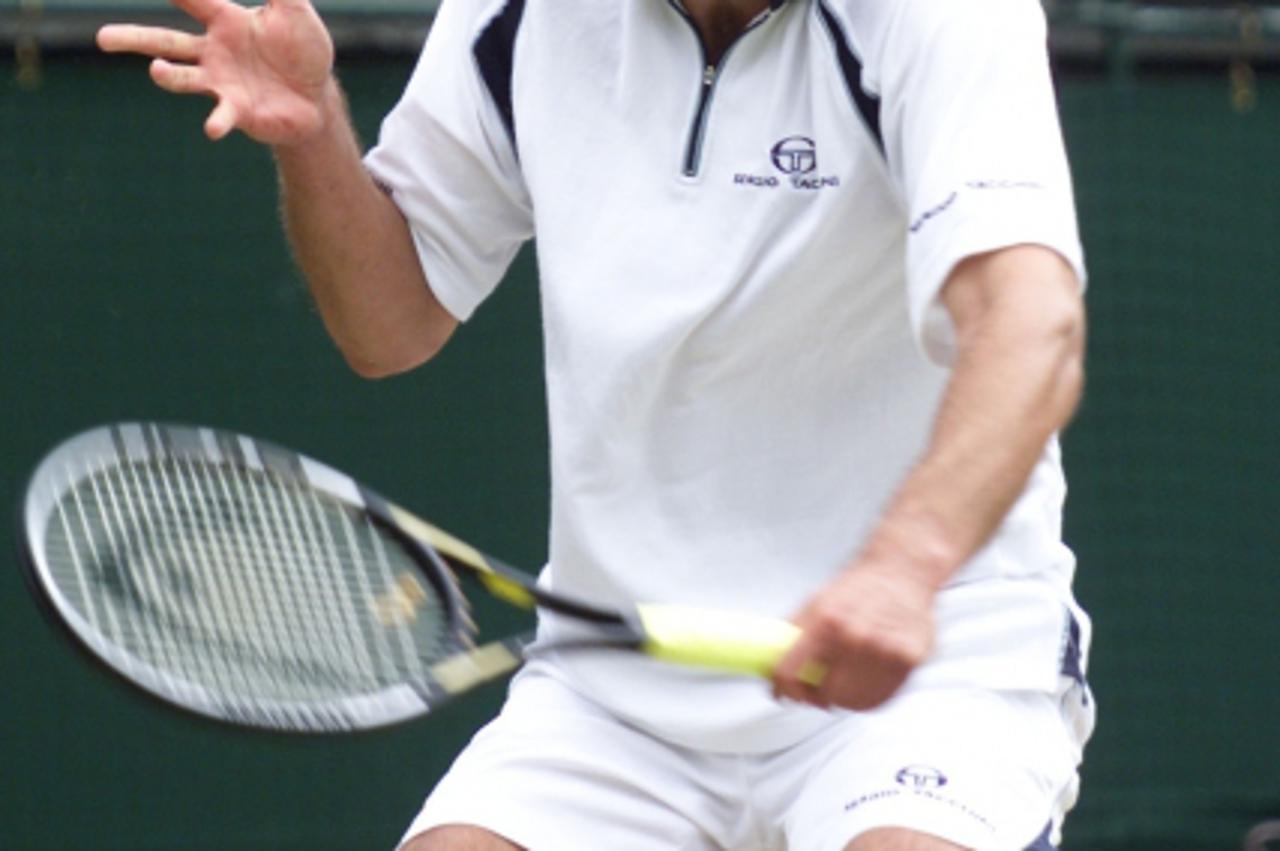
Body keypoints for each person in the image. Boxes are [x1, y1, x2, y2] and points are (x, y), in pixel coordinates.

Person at [98, 0, 1095, 848]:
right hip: (615, 689)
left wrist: (901, 566)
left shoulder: (940, 16)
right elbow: (388, 321)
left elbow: (1030, 321)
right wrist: (315, 129)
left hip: (925, 674)